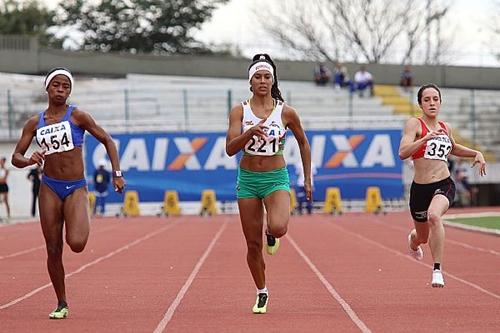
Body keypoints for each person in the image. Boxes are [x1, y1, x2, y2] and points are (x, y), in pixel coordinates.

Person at [11, 67, 125, 319]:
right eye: (56, 85)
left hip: (75, 186)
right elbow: (15, 157)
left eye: (66, 87)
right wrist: (30, 159)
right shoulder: (35, 122)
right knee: (53, 249)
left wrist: (117, 173)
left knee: (76, 243)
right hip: (49, 186)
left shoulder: (78, 116)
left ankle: (82, 215)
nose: (61, 90)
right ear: (47, 88)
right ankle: (61, 302)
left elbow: (108, 140)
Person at [226, 54, 311, 313]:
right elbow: (230, 149)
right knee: (252, 244)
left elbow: (303, 143)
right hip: (249, 180)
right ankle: (261, 291)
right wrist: (249, 133)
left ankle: (272, 235)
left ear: (273, 81)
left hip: (276, 178)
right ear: (250, 82)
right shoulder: (240, 110)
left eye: (267, 77)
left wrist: (307, 178)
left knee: (279, 226)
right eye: (258, 76)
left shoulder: (285, 111)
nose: (262, 81)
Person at [398, 83, 486, 288]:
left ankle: (437, 270)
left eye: (435, 99)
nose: (431, 103)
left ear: (440, 102)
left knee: (434, 216)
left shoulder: (445, 127)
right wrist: (425, 139)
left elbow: (453, 148)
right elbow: (403, 152)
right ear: (420, 103)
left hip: (444, 183)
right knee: (421, 236)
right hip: (420, 189)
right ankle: (413, 239)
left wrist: (476, 153)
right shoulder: (414, 124)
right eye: (427, 99)